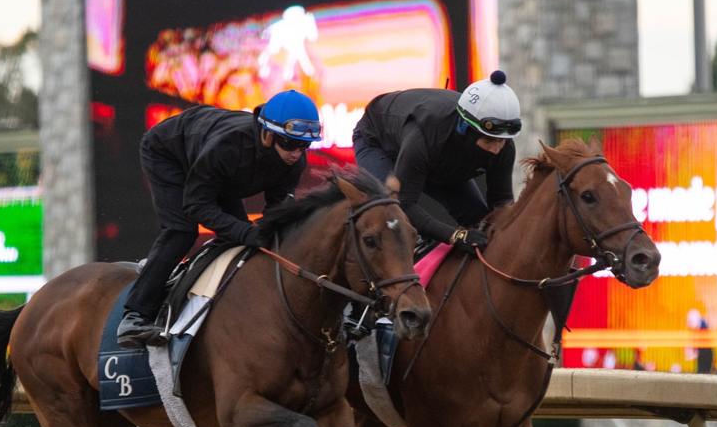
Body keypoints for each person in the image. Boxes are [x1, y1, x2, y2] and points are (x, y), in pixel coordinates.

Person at [117, 90, 322, 347]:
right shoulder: (228, 146)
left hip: (221, 174)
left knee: (244, 240)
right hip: (169, 154)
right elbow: (196, 204)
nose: (296, 153)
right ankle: (136, 313)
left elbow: (277, 213)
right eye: (290, 144)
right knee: (182, 231)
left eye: (304, 145)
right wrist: (247, 232)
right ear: (267, 134)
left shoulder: (294, 161)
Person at [351, 70, 521, 253]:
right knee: (390, 209)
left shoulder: (505, 147)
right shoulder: (423, 139)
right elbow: (404, 204)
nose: (496, 149)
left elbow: (501, 203)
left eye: (501, 141)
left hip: (439, 156)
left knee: (481, 221)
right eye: (488, 141)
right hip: (378, 140)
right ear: (465, 129)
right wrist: (455, 235)